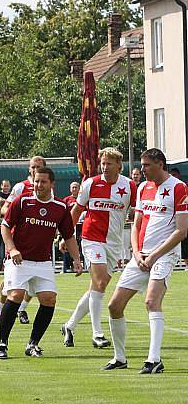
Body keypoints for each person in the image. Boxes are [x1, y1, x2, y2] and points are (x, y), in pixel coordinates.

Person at [102, 149, 188, 374]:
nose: (142, 170)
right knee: (114, 306)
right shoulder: (142, 187)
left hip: (164, 256)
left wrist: (153, 256)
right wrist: (138, 253)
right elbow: (136, 225)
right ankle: (120, 358)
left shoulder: (178, 187)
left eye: (147, 165)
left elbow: (181, 231)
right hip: (141, 257)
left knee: (151, 302)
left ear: (160, 164)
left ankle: (154, 360)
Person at [0, 167, 82, 359]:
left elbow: (69, 235)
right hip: (19, 260)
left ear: (52, 184)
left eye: (43, 182)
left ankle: (33, 344)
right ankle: (2, 344)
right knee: (16, 295)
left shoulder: (60, 207)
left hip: (43, 262)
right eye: (36, 181)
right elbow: (5, 226)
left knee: (49, 298)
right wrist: (13, 249)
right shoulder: (23, 201)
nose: (38, 185)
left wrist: (77, 259)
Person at [60, 148, 136, 349]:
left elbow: (137, 213)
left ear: (119, 165)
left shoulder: (129, 186)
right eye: (102, 163)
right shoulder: (90, 184)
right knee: (101, 282)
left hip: (114, 243)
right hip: (92, 238)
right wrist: (65, 237)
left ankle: (69, 326)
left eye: (109, 163)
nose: (105, 167)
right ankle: (97, 333)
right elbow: (76, 210)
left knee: (97, 287)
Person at [0, 156, 48, 324]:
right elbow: (5, 208)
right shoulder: (21, 187)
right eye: (33, 167)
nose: (35, 170)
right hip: (17, 240)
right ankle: (1, 307)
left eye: (39, 167)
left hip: (36, 242)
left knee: (34, 283)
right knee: (9, 284)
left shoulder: (47, 188)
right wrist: (20, 214)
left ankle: (21, 309)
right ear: (29, 169)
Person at [61, 181, 81, 272]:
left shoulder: (82, 199)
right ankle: (66, 268)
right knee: (67, 245)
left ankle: (81, 265)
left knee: (80, 246)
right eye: (72, 187)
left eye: (76, 187)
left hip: (81, 227)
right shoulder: (66, 200)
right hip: (69, 226)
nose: (74, 189)